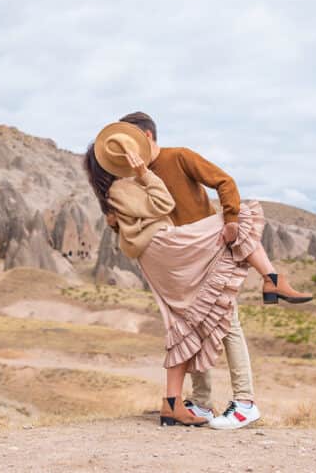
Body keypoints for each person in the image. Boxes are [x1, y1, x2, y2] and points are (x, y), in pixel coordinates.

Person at [115, 111, 312, 430]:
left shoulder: (179, 157)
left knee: (228, 322)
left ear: (147, 137)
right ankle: (202, 402)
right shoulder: (133, 178)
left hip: (211, 252)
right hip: (182, 264)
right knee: (191, 328)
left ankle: (246, 403)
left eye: (130, 141)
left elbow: (225, 182)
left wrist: (232, 220)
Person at [85, 122, 265, 428]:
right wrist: (144, 174)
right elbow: (163, 204)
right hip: (178, 252)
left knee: (191, 321)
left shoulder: (128, 186)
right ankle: (237, 401)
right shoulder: (126, 185)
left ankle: (201, 402)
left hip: (174, 256)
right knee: (205, 319)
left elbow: (124, 232)